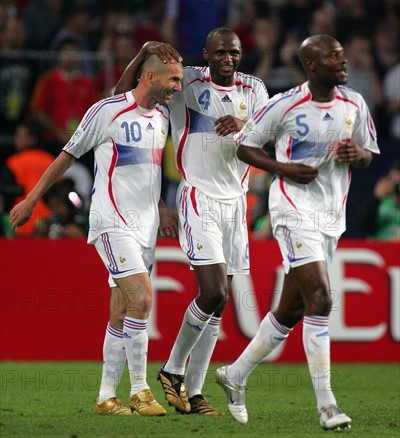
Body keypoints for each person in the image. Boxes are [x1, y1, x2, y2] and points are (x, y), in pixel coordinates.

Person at [215, 34, 380, 430]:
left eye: (343, 55)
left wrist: (357, 156)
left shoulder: (354, 103)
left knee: (290, 310)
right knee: (321, 299)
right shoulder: (285, 104)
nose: (343, 62)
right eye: (334, 57)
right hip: (291, 210)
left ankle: (235, 374)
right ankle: (327, 406)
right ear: (311, 66)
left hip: (330, 216)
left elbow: (368, 153)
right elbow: (244, 145)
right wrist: (283, 169)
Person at [10, 44, 184, 416]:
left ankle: (106, 396)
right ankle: (140, 391)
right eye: (173, 79)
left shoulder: (162, 118)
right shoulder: (106, 112)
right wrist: (30, 200)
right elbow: (66, 157)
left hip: (147, 228)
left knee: (122, 311)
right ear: (150, 75)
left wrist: (162, 207)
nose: (177, 87)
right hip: (111, 222)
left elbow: (148, 175)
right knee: (142, 298)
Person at [114, 28, 270, 415]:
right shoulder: (186, 82)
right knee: (213, 291)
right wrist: (144, 51)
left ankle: (195, 393)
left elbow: (271, 132)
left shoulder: (254, 89)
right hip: (198, 196)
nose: (227, 59)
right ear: (206, 54)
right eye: (219, 52)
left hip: (237, 203)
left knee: (218, 306)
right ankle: (171, 369)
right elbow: (123, 96)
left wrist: (245, 126)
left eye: (233, 52)